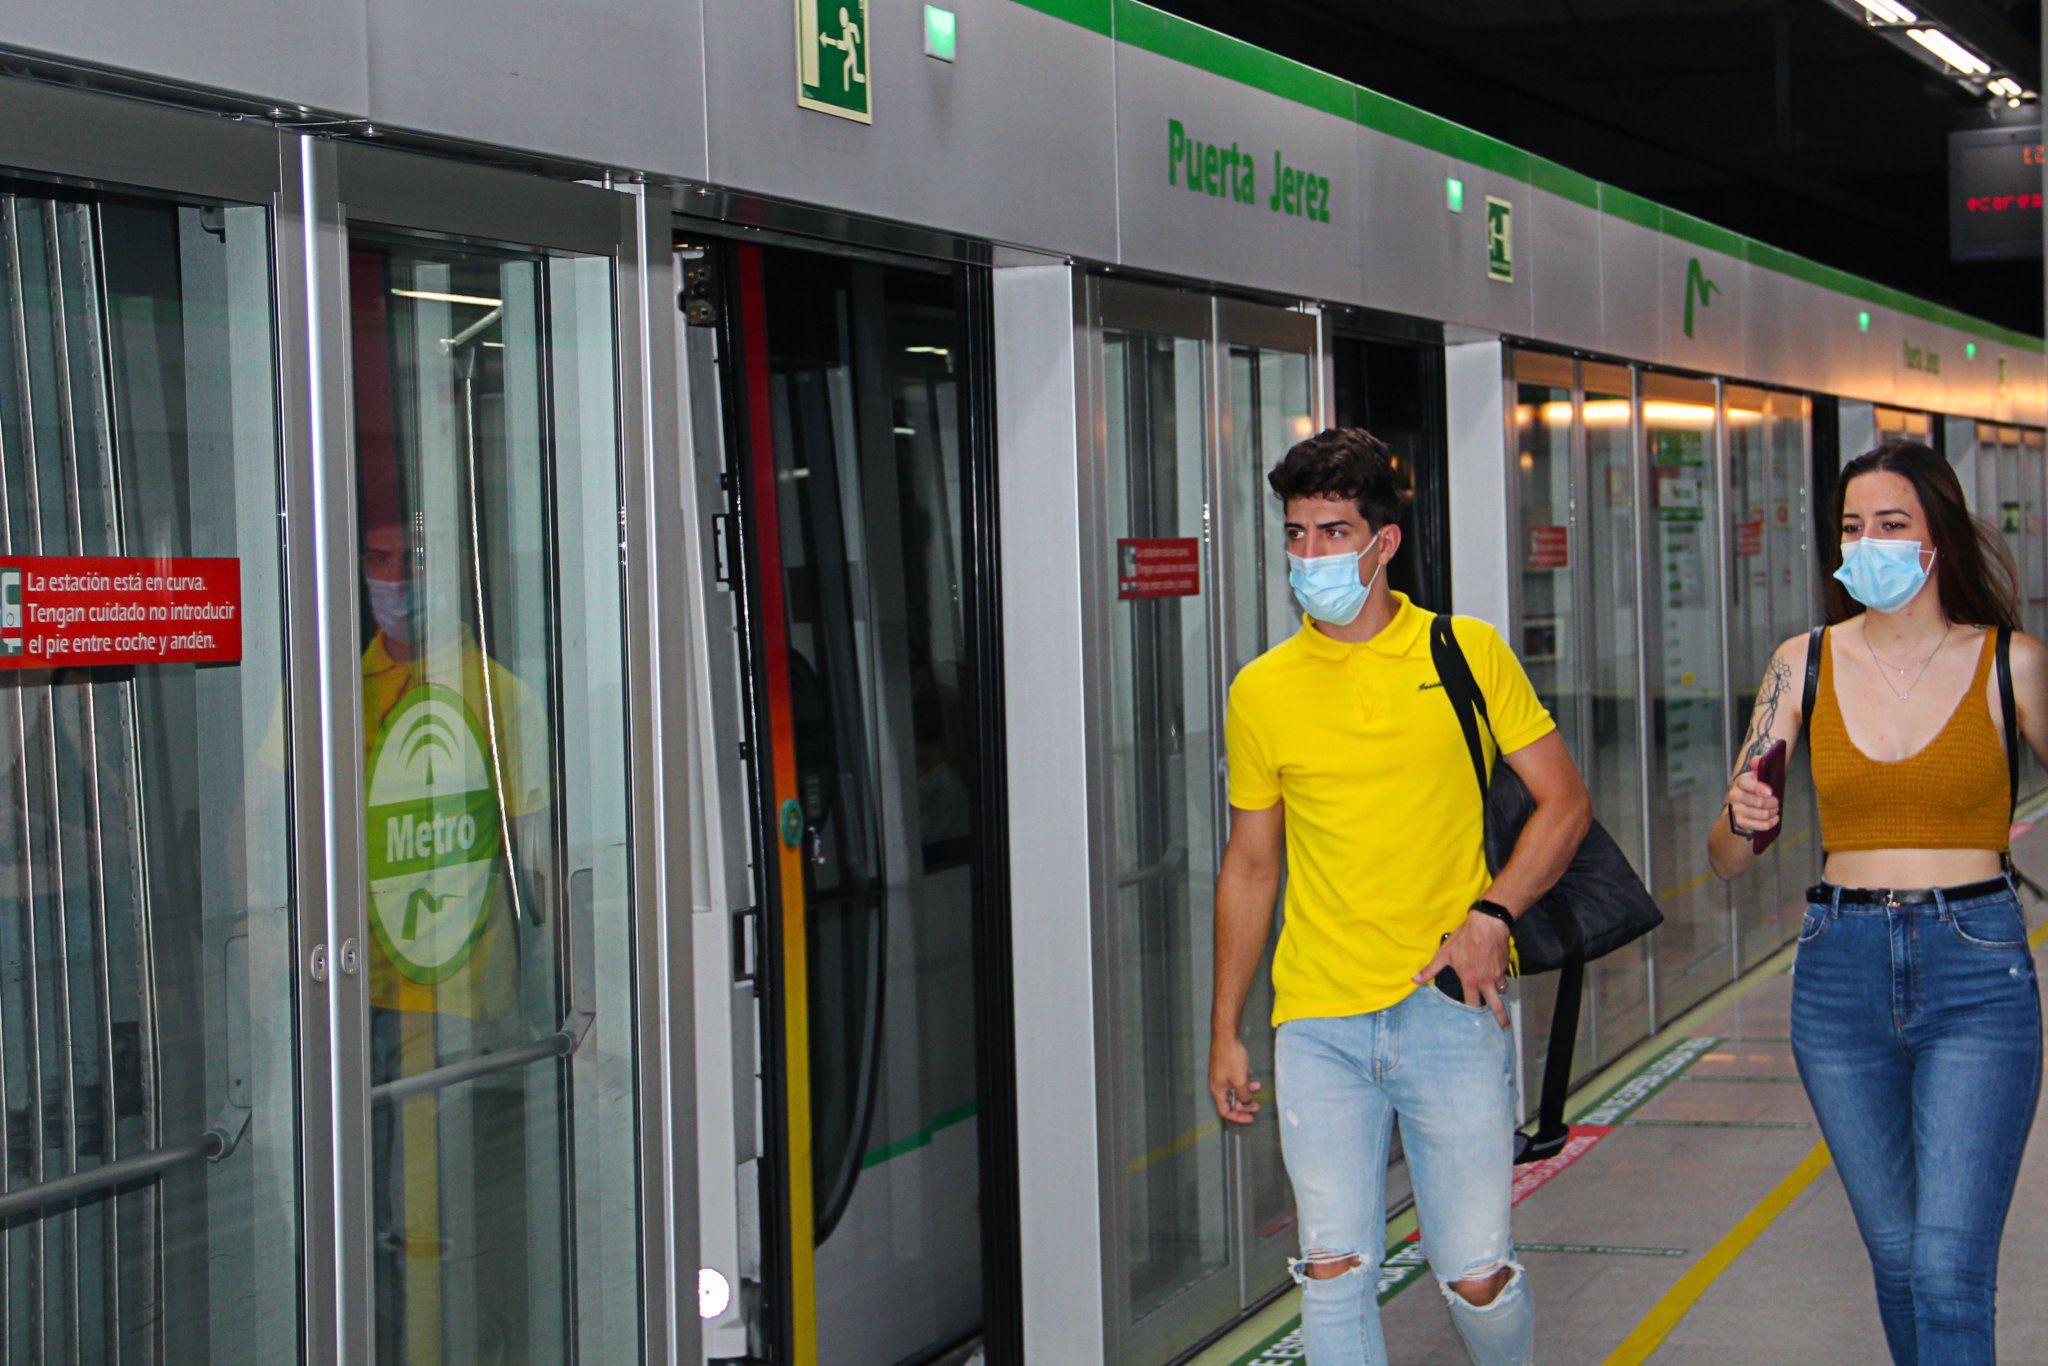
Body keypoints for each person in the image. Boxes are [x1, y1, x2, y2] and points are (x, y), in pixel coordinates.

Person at [1208, 428, 1592, 1365]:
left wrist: (1490, 918)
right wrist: (1226, 1025)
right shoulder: (1261, 691)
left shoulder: (1465, 653)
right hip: (1318, 1019)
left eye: (1334, 532)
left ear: (1383, 543)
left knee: (1474, 1275)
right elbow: (1252, 865)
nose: (1311, 556)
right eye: (1296, 534)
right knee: (1333, 1269)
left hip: (1449, 1006)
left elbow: (1566, 804)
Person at [1709, 440, 2044, 1365]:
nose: (1869, 543)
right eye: (1853, 527)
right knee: (1898, 1258)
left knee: (1946, 1267)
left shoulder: (2009, 663)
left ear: (1937, 538)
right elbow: (1730, 860)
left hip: (1976, 966)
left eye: (1891, 524)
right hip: (1838, 975)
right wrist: (1745, 815)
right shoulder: (1801, 663)